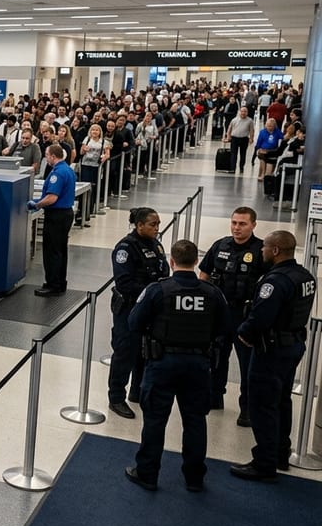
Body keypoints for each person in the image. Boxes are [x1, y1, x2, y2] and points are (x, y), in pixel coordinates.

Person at [125, 239, 227, 493]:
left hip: (162, 362)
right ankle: (194, 477)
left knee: (155, 419)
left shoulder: (158, 290)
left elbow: (134, 323)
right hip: (198, 364)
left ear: (171, 262)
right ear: (195, 262)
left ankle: (147, 473)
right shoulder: (213, 293)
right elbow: (225, 328)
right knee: (195, 420)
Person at [231, 230, 316, 482]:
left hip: (271, 350)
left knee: (263, 405)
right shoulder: (305, 276)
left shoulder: (274, 281)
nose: (262, 251)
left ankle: (264, 463)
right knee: (281, 400)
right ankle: (280, 452)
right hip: (293, 345)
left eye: (265, 247)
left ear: (276, 250)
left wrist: (243, 333)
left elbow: (261, 316)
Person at [198, 207, 265, 423]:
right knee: (216, 356)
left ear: (253, 225)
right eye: (234, 222)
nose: (237, 228)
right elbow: (204, 274)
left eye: (242, 224)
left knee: (248, 363)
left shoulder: (262, 250)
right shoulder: (221, 245)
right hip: (219, 312)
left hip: (245, 314)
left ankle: (247, 408)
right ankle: (214, 397)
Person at [107, 207, 169, 419]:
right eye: (153, 224)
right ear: (139, 225)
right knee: (125, 352)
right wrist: (152, 291)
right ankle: (116, 397)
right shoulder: (125, 248)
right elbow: (124, 283)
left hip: (149, 309)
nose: (157, 228)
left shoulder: (156, 245)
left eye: (158, 224)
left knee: (145, 351)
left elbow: (163, 271)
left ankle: (137, 391)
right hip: (129, 309)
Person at [28, 145, 76, 296]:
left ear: (53, 156)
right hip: (65, 214)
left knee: (52, 251)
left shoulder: (58, 173)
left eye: (47, 155)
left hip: (57, 216)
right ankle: (60, 282)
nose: (46, 158)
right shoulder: (68, 169)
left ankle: (52, 284)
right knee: (61, 250)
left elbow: (52, 197)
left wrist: (37, 204)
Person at [223, 106, 256, 173]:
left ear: (247, 113)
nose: (243, 113)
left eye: (245, 111)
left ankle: (241, 167)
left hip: (244, 139)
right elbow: (229, 128)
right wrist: (228, 136)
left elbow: (251, 130)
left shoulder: (250, 121)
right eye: (242, 111)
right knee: (233, 154)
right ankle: (233, 168)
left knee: (243, 154)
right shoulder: (234, 120)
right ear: (239, 112)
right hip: (234, 138)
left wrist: (251, 138)